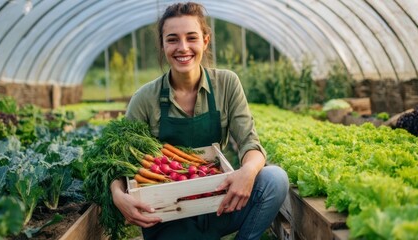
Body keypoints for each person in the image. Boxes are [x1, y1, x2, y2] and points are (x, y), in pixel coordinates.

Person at [110, 2, 289, 239]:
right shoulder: (145, 98)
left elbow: (249, 143)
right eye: (172, 39)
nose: (183, 48)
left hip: (218, 203)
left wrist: (248, 170)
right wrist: (117, 195)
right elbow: (119, 163)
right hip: (166, 215)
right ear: (162, 45)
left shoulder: (226, 84)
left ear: (205, 40)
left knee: (274, 179)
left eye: (191, 38)